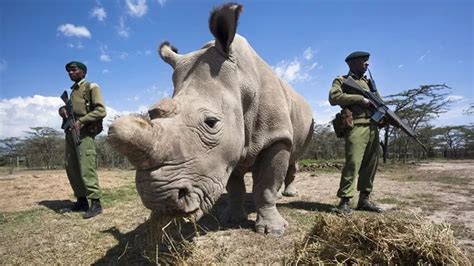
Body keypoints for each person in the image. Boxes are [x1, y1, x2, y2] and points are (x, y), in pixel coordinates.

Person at [328, 51, 384, 215]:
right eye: (364, 61)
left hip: (373, 126)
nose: (367, 64)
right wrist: (360, 100)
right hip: (356, 126)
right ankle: (345, 201)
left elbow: (379, 103)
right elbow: (334, 97)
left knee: (371, 164)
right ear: (353, 63)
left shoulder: (369, 83)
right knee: (353, 162)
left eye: (368, 62)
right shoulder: (342, 80)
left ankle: (364, 200)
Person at [59, 61, 106, 219]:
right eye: (68, 71)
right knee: (71, 166)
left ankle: (96, 203)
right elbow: (72, 110)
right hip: (70, 132)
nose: (70, 73)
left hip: (84, 133)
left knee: (86, 166)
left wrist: (81, 121)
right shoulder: (73, 91)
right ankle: (81, 201)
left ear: (83, 72)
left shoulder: (91, 87)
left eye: (73, 70)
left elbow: (101, 110)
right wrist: (63, 111)